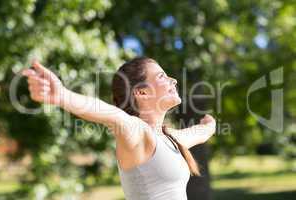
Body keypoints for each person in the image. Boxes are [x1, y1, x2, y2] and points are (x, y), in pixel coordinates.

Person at [22, 57, 216, 200]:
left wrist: (210, 124)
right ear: (141, 92)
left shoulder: (168, 138)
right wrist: (62, 96)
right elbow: (111, 114)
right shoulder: (138, 133)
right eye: (162, 76)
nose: (173, 80)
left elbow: (202, 131)